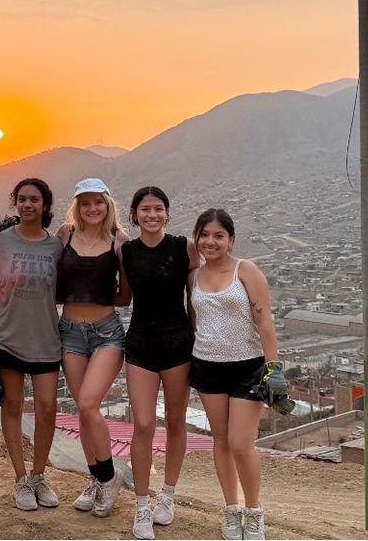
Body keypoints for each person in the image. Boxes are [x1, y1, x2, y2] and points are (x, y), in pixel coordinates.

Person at [188, 208, 286, 540]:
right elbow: (195, 321)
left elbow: (265, 322)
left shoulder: (246, 270)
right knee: (220, 440)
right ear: (197, 238)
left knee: (241, 443)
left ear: (231, 239)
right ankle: (231, 510)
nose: (210, 241)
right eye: (204, 235)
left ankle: (253, 511)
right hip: (207, 366)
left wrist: (274, 369)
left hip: (248, 367)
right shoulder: (194, 276)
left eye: (218, 235)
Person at [0, 178, 64, 511]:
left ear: (45, 205)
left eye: (35, 200)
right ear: (15, 203)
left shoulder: (56, 247)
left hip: (45, 338)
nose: (28, 205)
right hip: (6, 337)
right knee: (12, 405)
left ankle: (39, 475)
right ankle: (20, 479)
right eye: (22, 199)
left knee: (46, 408)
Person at [121, 186, 199, 540]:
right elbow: (122, 295)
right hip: (139, 344)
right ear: (134, 214)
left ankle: (167, 496)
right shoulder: (126, 251)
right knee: (142, 424)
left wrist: (202, 342)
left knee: (176, 421)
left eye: (158, 209)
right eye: (145, 209)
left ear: (167, 213)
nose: (151, 215)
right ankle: (141, 505)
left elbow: (195, 298)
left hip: (178, 344)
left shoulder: (184, 247)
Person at [55, 178, 130, 517]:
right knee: (82, 413)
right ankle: (98, 480)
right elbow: (55, 281)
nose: (92, 208)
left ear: (107, 204)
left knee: (88, 404)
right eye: (85, 203)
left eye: (98, 202)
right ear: (77, 206)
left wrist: (94, 299)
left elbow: (126, 296)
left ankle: (110, 477)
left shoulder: (119, 241)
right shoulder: (64, 235)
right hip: (69, 331)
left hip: (106, 333)